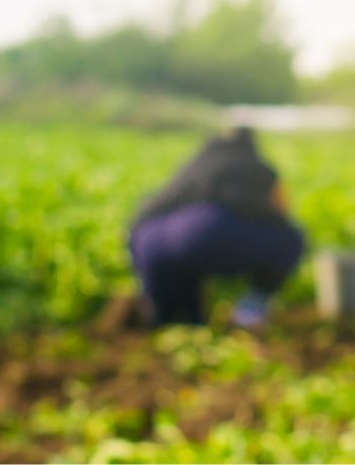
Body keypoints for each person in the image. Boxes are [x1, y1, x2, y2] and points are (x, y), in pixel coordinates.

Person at [127, 127, 305, 328]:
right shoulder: (255, 167)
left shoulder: (193, 167)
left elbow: (141, 217)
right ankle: (249, 313)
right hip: (202, 233)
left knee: (179, 323)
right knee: (291, 239)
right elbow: (282, 211)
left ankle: (162, 322)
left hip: (148, 242)